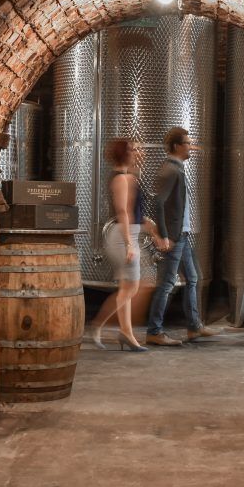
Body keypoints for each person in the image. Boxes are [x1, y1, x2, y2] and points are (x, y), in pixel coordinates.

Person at [145, 127, 220, 346]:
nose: (191, 147)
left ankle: (194, 327)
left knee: (193, 278)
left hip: (183, 235)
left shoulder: (178, 168)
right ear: (177, 146)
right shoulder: (171, 170)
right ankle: (154, 331)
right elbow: (157, 202)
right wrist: (165, 235)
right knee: (167, 284)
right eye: (187, 143)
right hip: (175, 238)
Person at [88, 139, 161, 352]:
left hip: (127, 233)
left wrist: (152, 230)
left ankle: (126, 333)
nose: (138, 152)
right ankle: (98, 325)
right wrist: (130, 244)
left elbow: (136, 214)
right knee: (133, 287)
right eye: (133, 149)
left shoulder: (130, 177)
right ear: (125, 154)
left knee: (128, 287)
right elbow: (124, 212)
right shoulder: (123, 178)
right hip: (122, 236)